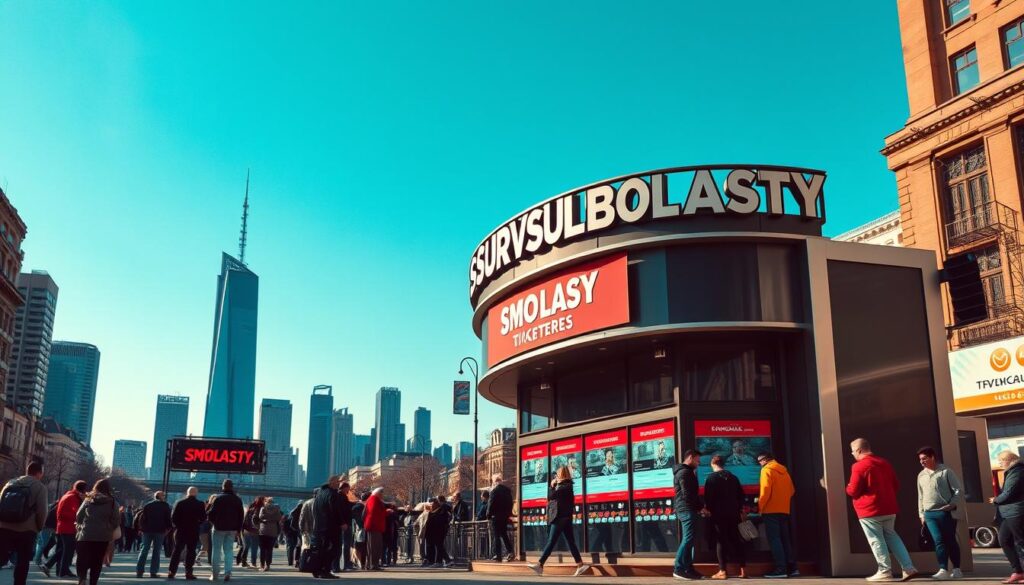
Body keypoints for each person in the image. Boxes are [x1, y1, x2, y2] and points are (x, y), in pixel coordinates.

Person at [846, 438, 920, 582]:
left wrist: (848, 487)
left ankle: (884, 570)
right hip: (889, 508)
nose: (853, 454)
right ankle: (909, 568)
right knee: (892, 536)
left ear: (859, 450)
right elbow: (896, 485)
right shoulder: (884, 463)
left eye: (853, 451)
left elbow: (853, 490)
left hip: (869, 510)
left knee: (876, 540)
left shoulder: (859, 466)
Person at [526, 466, 590, 577]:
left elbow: (551, 497)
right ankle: (580, 565)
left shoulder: (564, 487)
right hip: (565, 518)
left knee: (551, 541)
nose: (556, 476)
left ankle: (540, 564)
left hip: (560, 518)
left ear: (562, 475)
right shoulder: (566, 486)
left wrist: (551, 486)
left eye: (558, 474)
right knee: (571, 542)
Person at [916, 446, 964, 580]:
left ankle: (957, 569)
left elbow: (958, 490)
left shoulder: (946, 471)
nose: (922, 462)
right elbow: (920, 495)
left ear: (932, 457)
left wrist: (952, 504)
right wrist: (921, 513)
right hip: (929, 514)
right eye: (920, 459)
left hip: (945, 513)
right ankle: (943, 569)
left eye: (924, 458)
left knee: (950, 540)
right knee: (938, 540)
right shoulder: (921, 475)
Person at [0, 461, 48, 585]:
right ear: (39, 473)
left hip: (4, 527)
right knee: (22, 561)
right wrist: (39, 527)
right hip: (26, 529)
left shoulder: (11, 482)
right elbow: (42, 511)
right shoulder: (39, 487)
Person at [703, 454, 746, 579]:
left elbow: (708, 498)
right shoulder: (734, 478)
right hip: (734, 514)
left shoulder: (711, 478)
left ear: (713, 464)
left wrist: (708, 510)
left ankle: (722, 571)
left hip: (718, 515)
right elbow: (741, 496)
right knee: (737, 540)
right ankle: (743, 570)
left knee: (721, 541)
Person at [757, 452, 796, 579]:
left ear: (764, 460)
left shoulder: (766, 470)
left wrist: (760, 507)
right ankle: (792, 568)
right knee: (785, 538)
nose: (759, 464)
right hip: (784, 509)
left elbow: (765, 491)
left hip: (770, 510)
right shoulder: (784, 471)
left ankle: (781, 568)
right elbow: (791, 490)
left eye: (759, 461)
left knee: (774, 539)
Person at [74, 478, 119, 585]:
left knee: (82, 558)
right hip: (103, 536)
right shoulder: (112, 502)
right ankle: (93, 582)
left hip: (86, 534)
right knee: (97, 561)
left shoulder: (88, 499)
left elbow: (79, 516)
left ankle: (82, 579)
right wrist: (108, 528)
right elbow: (115, 520)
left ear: (96, 487)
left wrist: (81, 525)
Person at [991, 450, 1024, 584]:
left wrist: (995, 500)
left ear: (1008, 459)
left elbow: (1009, 492)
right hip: (1008, 512)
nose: (999, 463)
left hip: (1017, 511)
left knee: (1021, 542)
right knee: (1004, 539)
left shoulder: (1018, 471)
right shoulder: (1012, 471)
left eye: (1001, 460)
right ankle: (1018, 572)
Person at [45, 479, 86, 578]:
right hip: (68, 527)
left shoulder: (67, 495)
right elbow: (77, 513)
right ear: (83, 490)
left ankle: (57, 569)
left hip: (61, 526)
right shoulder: (73, 498)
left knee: (63, 549)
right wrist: (84, 501)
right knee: (68, 550)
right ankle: (61, 570)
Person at [671, 449, 702, 581]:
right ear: (690, 457)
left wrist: (699, 507)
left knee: (690, 540)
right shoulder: (685, 472)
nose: (698, 463)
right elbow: (687, 494)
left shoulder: (687, 472)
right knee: (688, 539)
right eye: (697, 460)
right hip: (686, 509)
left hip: (688, 509)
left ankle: (688, 569)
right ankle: (678, 568)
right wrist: (699, 507)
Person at [206, 479, 244, 581]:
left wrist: (214, 522)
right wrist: (238, 529)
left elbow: (210, 514)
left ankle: (215, 574)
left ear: (223, 487)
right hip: (232, 529)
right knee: (229, 551)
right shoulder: (237, 499)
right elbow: (241, 516)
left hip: (219, 528)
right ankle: (228, 572)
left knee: (216, 551)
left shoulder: (218, 498)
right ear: (232, 487)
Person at [168, 486, 206, 580]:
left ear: (187, 493)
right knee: (191, 551)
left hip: (181, 530)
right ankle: (188, 572)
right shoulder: (200, 504)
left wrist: (178, 526)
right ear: (196, 493)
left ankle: (172, 571)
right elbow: (203, 518)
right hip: (193, 530)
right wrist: (197, 524)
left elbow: (173, 517)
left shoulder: (180, 503)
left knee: (177, 551)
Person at [311, 476, 343, 578]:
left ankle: (317, 570)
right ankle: (326, 570)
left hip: (319, 527)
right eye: (337, 482)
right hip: (331, 527)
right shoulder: (333, 494)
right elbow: (335, 510)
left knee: (320, 549)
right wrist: (342, 522)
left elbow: (314, 510)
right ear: (331, 483)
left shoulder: (319, 494)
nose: (339, 484)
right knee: (333, 548)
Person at [135, 490, 172, 578]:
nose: (164, 497)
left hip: (147, 531)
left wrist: (141, 529)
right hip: (160, 531)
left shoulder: (148, 505)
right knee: (156, 551)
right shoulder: (165, 506)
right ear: (160, 496)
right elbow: (168, 518)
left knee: (144, 550)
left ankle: (139, 571)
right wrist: (168, 529)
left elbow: (142, 518)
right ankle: (153, 572)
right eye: (163, 495)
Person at [486, 474, 514, 562]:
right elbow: (511, 503)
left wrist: (488, 515)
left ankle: (498, 555)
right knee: (504, 534)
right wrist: (508, 513)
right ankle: (510, 552)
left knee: (496, 535)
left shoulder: (494, 491)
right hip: (505, 516)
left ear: (494, 482)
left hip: (496, 517)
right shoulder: (507, 490)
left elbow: (491, 504)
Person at [364, 487, 386, 570]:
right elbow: (373, 512)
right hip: (374, 526)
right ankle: (373, 565)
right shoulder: (374, 499)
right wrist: (386, 512)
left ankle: (371, 564)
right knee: (375, 546)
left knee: (373, 546)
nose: (382, 495)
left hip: (374, 526)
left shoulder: (373, 499)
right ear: (378, 493)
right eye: (382, 493)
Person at [256, 497, 281, 571]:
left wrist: (265, 518)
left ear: (266, 501)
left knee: (262, 549)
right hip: (273, 531)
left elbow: (260, 517)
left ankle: (262, 565)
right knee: (269, 549)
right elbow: (279, 518)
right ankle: (268, 565)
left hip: (263, 530)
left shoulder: (263, 508)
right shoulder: (277, 508)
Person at [238, 497, 262, 568]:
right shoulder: (261, 509)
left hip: (246, 530)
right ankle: (253, 562)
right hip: (255, 531)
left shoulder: (250, 508)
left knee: (246, 546)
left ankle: (243, 561)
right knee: (254, 547)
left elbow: (244, 519)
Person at [34, 500, 56, 566]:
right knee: (43, 543)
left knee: (41, 542)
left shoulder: (54, 505)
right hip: (47, 526)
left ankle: (38, 559)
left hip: (45, 525)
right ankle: (37, 560)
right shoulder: (55, 506)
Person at [284, 500, 302, 568]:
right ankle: (298, 561)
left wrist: (286, 532)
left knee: (290, 547)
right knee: (298, 547)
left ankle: (290, 562)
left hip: (290, 533)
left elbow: (286, 523)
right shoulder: (303, 512)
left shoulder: (292, 512)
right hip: (298, 532)